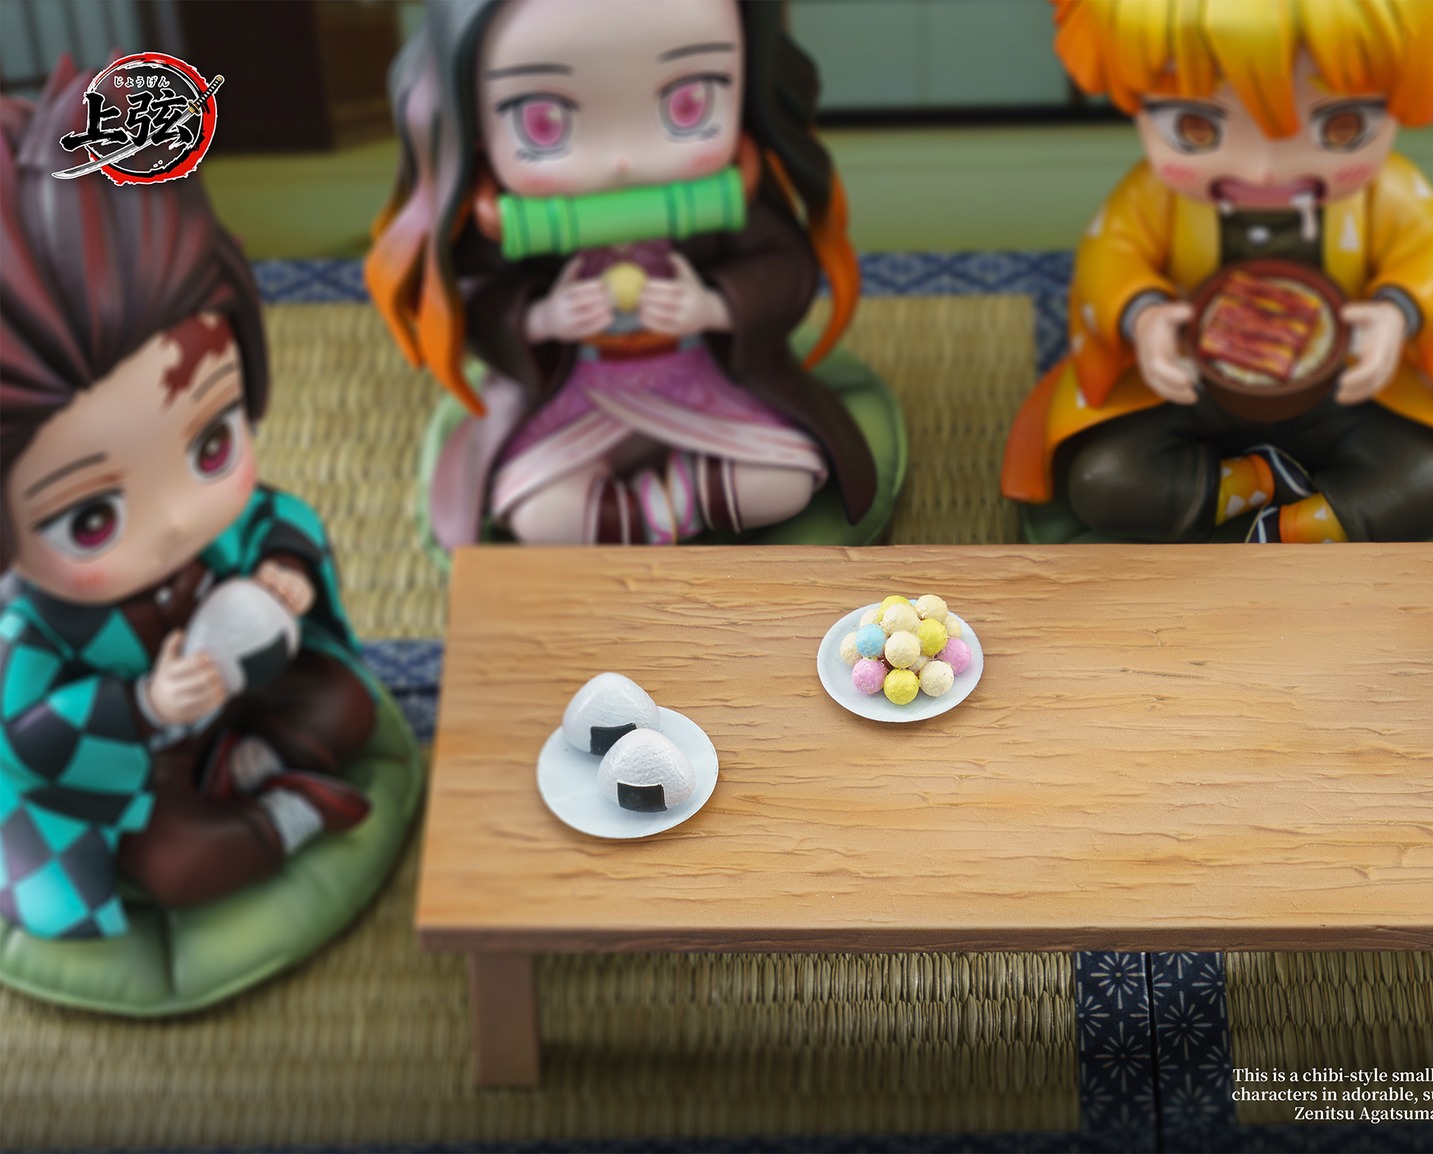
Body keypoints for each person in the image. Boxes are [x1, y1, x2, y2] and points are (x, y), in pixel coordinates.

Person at [1, 63, 375, 940]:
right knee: (178, 866)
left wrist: (284, 568)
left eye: (211, 446)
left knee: (346, 705)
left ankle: (260, 760)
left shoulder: (215, 532)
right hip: (136, 773)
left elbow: (280, 522)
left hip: (244, 704)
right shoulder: (34, 630)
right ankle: (288, 813)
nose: (175, 520)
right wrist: (144, 709)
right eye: (90, 519)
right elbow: (25, 735)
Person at [1001, 0, 1433, 543]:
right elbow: (1111, 255)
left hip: (1349, 389)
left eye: (1341, 126)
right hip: (1189, 385)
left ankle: (1293, 529)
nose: (1263, 170)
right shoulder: (1154, 199)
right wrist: (1143, 316)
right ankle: (1254, 482)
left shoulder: (1388, 195)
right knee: (1103, 481)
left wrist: (1396, 314)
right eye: (1195, 127)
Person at [368, 0, 876, 547]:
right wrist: (542, 318)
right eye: (543, 122)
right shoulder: (500, 222)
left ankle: (662, 508)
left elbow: (784, 266)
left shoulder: (730, 197)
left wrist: (713, 305)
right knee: (542, 516)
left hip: (702, 376)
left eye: (689, 103)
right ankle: (649, 515)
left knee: (780, 483)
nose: (621, 161)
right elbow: (471, 298)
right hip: (574, 391)